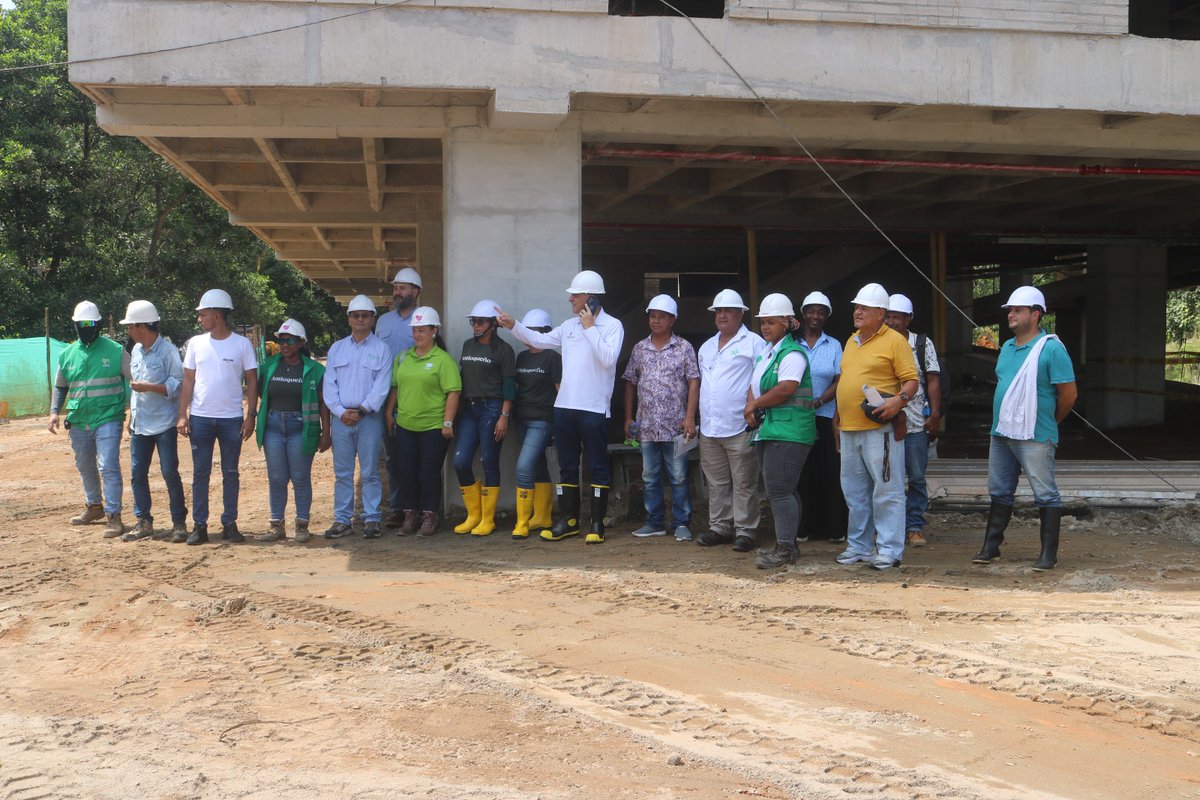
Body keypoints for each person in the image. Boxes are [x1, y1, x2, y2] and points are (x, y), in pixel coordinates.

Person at [494, 269, 624, 544]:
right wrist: (513, 325)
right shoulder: (568, 326)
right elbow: (539, 341)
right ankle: (569, 521)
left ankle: (597, 524)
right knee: (566, 465)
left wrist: (590, 328)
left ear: (591, 297)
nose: (571, 300)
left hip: (594, 409)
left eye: (575, 295)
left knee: (598, 466)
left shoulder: (613, 326)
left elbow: (608, 359)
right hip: (564, 407)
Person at [973, 286, 1077, 571]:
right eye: (1009, 310)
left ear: (1035, 314)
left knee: (1045, 493)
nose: (1011, 315)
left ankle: (1048, 555)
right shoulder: (1006, 348)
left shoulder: (1051, 349)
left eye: (1018, 310)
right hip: (1001, 432)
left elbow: (1068, 395)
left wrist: (1050, 421)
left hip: (1036, 433)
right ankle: (991, 547)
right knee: (999, 490)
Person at [833, 283, 918, 571]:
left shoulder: (895, 341)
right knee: (854, 491)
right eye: (856, 307)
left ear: (881, 313)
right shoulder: (852, 340)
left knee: (886, 489)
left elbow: (912, 381)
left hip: (879, 428)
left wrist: (899, 401)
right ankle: (860, 546)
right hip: (849, 428)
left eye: (864, 308)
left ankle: (890, 550)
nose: (857, 312)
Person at [177, 289, 258, 545]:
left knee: (230, 472)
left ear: (217, 315)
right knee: (200, 473)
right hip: (200, 418)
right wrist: (183, 414)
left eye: (203, 314)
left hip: (231, 419)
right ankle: (199, 526)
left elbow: (252, 380)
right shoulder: (195, 343)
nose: (200, 319)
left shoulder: (242, 344)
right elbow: (188, 380)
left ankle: (229, 523)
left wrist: (250, 415)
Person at [743, 293, 816, 569]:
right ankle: (789, 545)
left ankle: (784, 549)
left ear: (786, 323)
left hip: (789, 431)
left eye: (771, 322)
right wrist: (752, 407)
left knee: (779, 491)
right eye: (763, 322)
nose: (765, 327)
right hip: (771, 429)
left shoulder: (793, 353)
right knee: (785, 489)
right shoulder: (767, 351)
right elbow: (756, 384)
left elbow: (786, 388)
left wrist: (754, 405)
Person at [48, 301, 131, 539]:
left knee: (108, 466)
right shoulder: (67, 354)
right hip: (78, 420)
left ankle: (114, 516)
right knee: (85, 466)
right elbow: (60, 386)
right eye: (81, 323)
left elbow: (134, 380)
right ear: (75, 325)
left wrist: (133, 410)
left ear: (98, 324)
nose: (85, 327)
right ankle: (94, 507)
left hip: (108, 417)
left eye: (90, 323)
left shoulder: (115, 351)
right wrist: (54, 411)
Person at [623, 294, 700, 541]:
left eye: (661, 317)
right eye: (652, 316)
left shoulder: (684, 348)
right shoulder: (639, 349)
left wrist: (690, 417)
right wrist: (627, 418)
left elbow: (694, 382)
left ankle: (681, 523)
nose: (655, 321)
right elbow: (630, 383)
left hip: (677, 426)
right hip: (646, 426)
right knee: (649, 476)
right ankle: (654, 522)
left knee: (678, 476)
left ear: (672, 320)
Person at [695, 289, 766, 553]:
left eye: (728, 311)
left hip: (740, 425)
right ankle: (720, 527)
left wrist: (754, 411)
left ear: (740, 314)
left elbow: (760, 381)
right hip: (711, 427)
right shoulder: (706, 346)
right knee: (717, 482)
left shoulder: (754, 343)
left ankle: (746, 531)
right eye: (718, 311)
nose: (722, 315)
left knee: (745, 482)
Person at [385, 306, 461, 537]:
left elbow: (454, 392)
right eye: (415, 330)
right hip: (406, 425)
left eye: (422, 330)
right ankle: (410, 515)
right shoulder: (403, 358)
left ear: (434, 331)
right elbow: (396, 388)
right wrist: (389, 412)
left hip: (433, 428)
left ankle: (430, 516)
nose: (417, 335)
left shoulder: (442, 360)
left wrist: (447, 423)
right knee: (406, 471)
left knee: (428, 473)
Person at [322, 294, 392, 540]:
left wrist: (361, 411)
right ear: (349, 318)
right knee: (343, 472)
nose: (360, 319)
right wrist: (341, 413)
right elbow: (329, 386)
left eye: (365, 315)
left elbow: (381, 388)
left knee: (371, 470)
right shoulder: (337, 348)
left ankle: (372, 519)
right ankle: (342, 520)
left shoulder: (382, 349)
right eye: (356, 315)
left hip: (369, 419)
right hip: (341, 420)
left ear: (373, 319)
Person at [255, 319, 331, 544]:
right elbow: (262, 393)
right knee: (277, 478)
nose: (285, 345)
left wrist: (326, 432)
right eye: (281, 340)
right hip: (274, 428)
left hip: (301, 427)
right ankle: (276, 524)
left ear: (301, 343)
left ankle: (302, 525)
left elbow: (323, 403)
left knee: (300, 478)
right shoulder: (269, 366)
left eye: (290, 341)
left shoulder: (315, 370)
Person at [120, 300, 187, 542]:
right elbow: (135, 390)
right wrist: (131, 416)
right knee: (137, 473)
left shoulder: (168, 351)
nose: (128, 331)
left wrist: (150, 387)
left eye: (130, 326)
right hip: (141, 423)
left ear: (142, 326)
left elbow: (177, 385)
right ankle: (143, 521)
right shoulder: (136, 351)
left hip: (164, 423)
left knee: (169, 472)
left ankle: (179, 523)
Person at [451, 300, 517, 537]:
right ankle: (474, 515)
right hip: (469, 409)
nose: (475, 326)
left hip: (492, 409)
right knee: (460, 461)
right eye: (473, 321)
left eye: (480, 322)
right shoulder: (468, 346)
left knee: (489, 460)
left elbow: (510, 385)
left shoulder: (504, 350)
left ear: (493, 325)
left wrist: (504, 416)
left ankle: (487, 519)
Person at [884, 294, 942, 548]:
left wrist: (936, 414)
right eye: (888, 316)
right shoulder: (878, 342)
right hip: (884, 423)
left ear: (909, 319)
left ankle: (914, 526)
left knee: (916, 477)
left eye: (897, 317)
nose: (892, 321)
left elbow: (933, 379)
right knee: (886, 478)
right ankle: (889, 527)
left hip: (916, 423)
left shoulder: (921, 343)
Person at [794, 290, 848, 545]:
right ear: (803, 314)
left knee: (828, 472)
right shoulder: (791, 342)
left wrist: (820, 400)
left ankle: (832, 528)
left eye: (821, 312)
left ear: (827, 317)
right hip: (796, 417)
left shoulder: (835, 345)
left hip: (826, 417)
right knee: (801, 473)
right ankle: (803, 527)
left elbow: (841, 379)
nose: (815, 316)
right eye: (811, 311)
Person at [375, 266, 422, 525]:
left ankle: (422, 508)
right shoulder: (383, 322)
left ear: (416, 292)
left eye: (402, 288)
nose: (397, 292)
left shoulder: (424, 320)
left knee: (416, 455)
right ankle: (399, 508)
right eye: (395, 288)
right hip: (387, 398)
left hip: (416, 396)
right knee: (393, 456)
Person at [511, 308, 561, 539]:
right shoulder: (521, 357)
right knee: (538, 465)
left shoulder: (552, 358)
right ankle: (542, 517)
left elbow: (560, 391)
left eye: (532, 331)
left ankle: (522, 521)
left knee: (523, 467)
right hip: (521, 418)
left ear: (544, 332)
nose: (527, 334)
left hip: (543, 420)